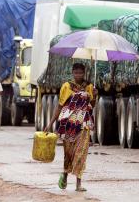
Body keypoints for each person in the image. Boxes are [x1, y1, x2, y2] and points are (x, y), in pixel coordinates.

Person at [44, 63, 95, 192]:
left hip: (83, 124)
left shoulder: (89, 86)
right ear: (72, 73)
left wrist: (95, 95)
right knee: (69, 153)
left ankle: (78, 183)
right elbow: (60, 106)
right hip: (68, 124)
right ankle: (65, 175)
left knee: (81, 152)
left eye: (81, 73)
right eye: (76, 73)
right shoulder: (66, 86)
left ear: (84, 73)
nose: (78, 75)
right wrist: (50, 124)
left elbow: (92, 105)